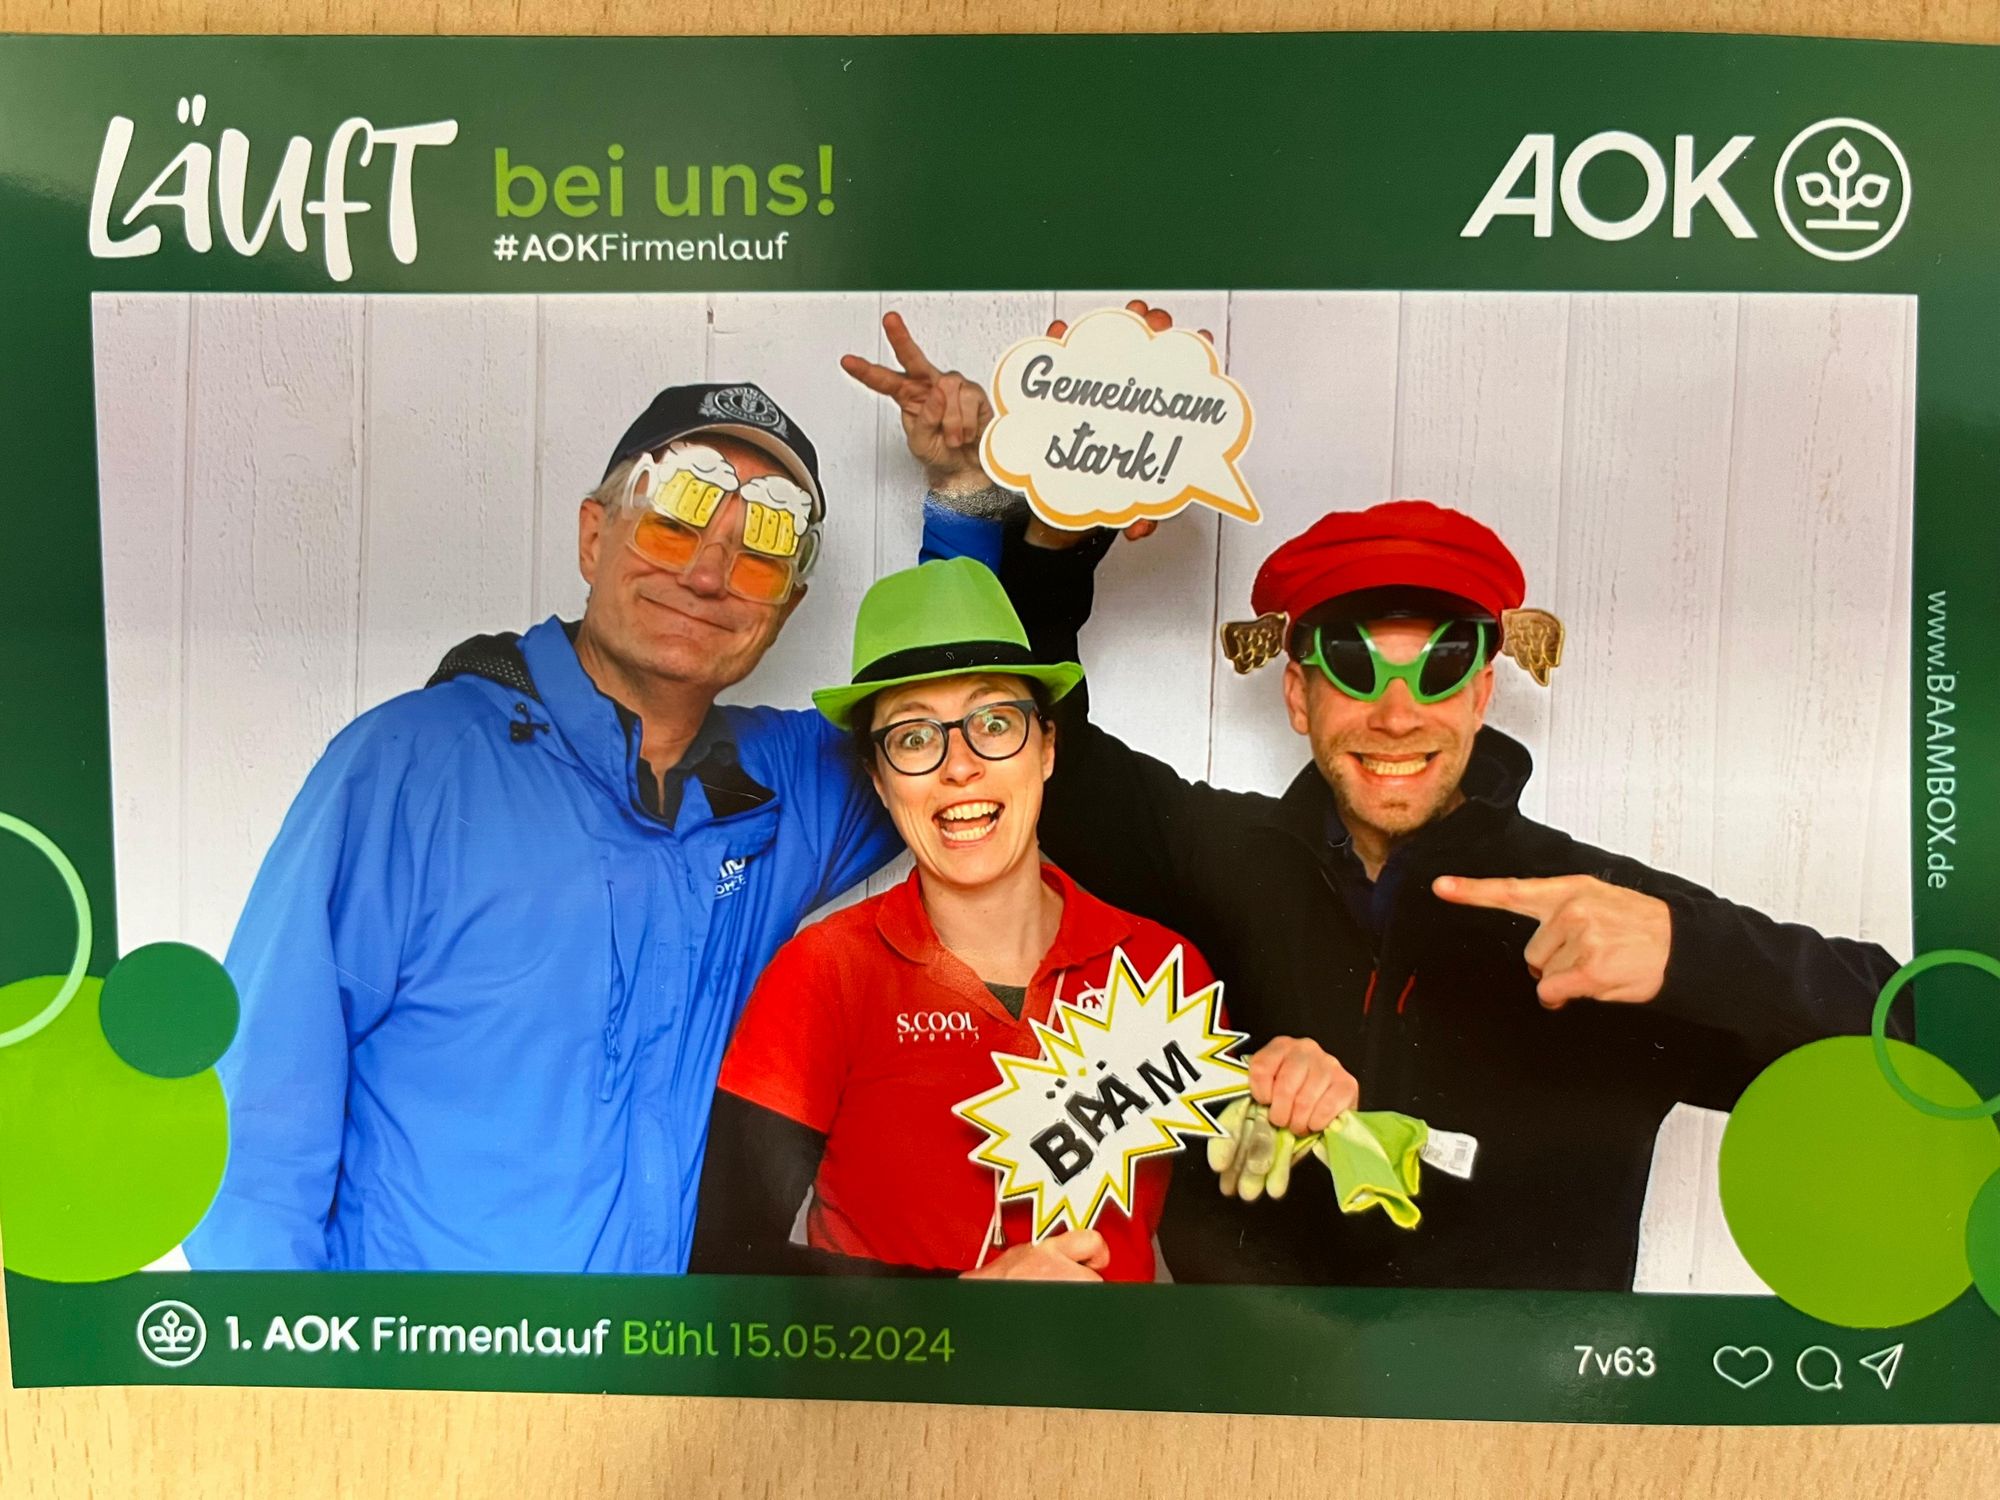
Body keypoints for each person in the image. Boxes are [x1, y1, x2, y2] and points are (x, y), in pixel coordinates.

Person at [844, 308, 1906, 1291]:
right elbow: (1026, 744)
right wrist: (1046, 518)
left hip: (1520, 1422)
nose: (1397, 714)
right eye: (1354, 667)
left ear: (1482, 692)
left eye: (1438, 668)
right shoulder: (1217, 861)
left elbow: (1927, 1039)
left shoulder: (1600, 916)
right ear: (1298, 695)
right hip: (1233, 1410)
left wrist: (1689, 952)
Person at [185, 382, 905, 1274]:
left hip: (658, 1360)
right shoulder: (407, 764)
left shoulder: (784, 788)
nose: (707, 575)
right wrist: (286, 1357)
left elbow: (949, 728)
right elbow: (251, 1134)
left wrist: (972, 503)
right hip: (423, 1358)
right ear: (594, 537)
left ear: (785, 608)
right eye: (674, 521)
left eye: (760, 551)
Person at [689, 557, 1355, 1280]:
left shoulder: (1165, 971)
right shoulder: (824, 975)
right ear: (878, 779)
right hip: (895, 1362)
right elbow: (727, 1262)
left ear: (1047, 749)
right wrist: (968, 1302)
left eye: (995, 723)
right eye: (914, 737)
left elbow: (1236, 1226)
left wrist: (1300, 1104)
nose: (960, 766)